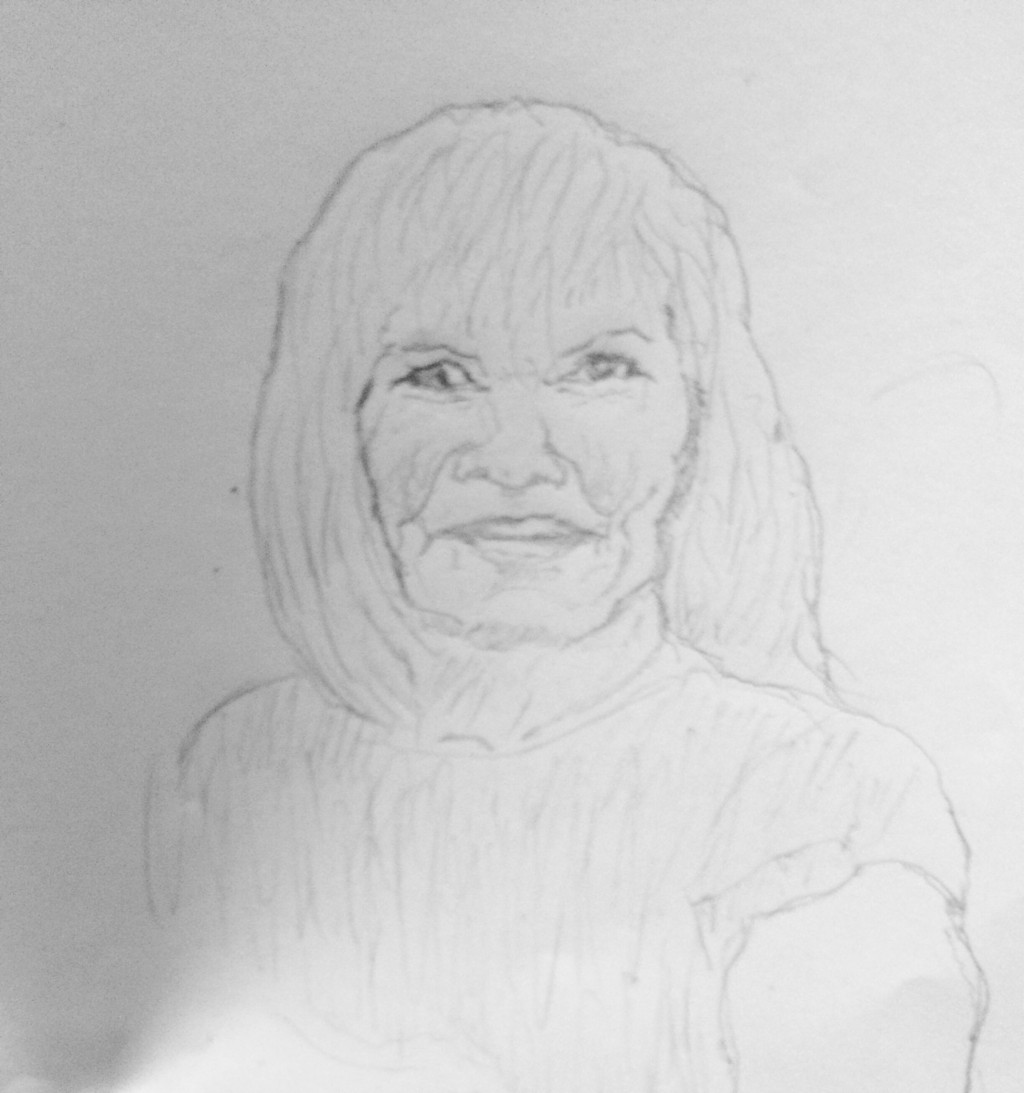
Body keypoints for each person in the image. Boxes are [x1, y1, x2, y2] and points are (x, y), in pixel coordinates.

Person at [141, 101, 985, 1092]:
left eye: (598, 369)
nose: (515, 458)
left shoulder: (829, 800)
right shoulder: (233, 772)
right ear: (339, 419)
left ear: (699, 416)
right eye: (437, 375)